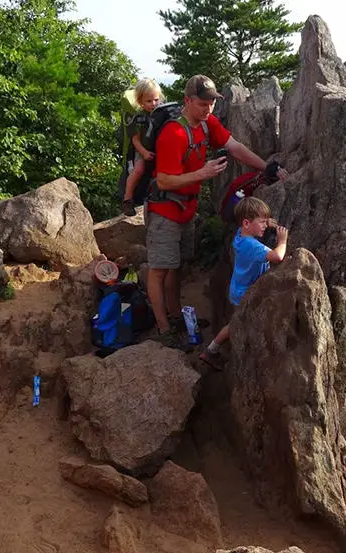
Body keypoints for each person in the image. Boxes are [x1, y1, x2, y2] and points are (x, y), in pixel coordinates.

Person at [148, 74, 288, 349]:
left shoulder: (206, 123)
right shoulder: (173, 133)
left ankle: (177, 317)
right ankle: (164, 328)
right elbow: (163, 179)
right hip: (164, 209)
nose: (208, 109)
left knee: (177, 265)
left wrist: (265, 168)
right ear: (188, 101)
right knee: (159, 269)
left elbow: (235, 147)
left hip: (186, 208)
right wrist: (202, 173)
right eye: (202, 103)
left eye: (212, 103)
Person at [199, 196, 288, 370]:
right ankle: (212, 351)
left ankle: (212, 349)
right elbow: (277, 256)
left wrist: (265, 222)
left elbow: (252, 228)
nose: (265, 225)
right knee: (239, 323)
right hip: (246, 293)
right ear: (247, 223)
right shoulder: (251, 246)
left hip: (238, 289)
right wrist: (282, 241)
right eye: (262, 222)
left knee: (236, 321)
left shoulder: (240, 236)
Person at [121, 78, 163, 217]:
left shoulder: (162, 114)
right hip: (142, 149)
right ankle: (127, 198)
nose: (154, 104)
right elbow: (135, 140)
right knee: (139, 170)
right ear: (140, 102)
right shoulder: (139, 118)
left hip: (158, 150)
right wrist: (144, 153)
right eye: (149, 101)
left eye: (156, 100)